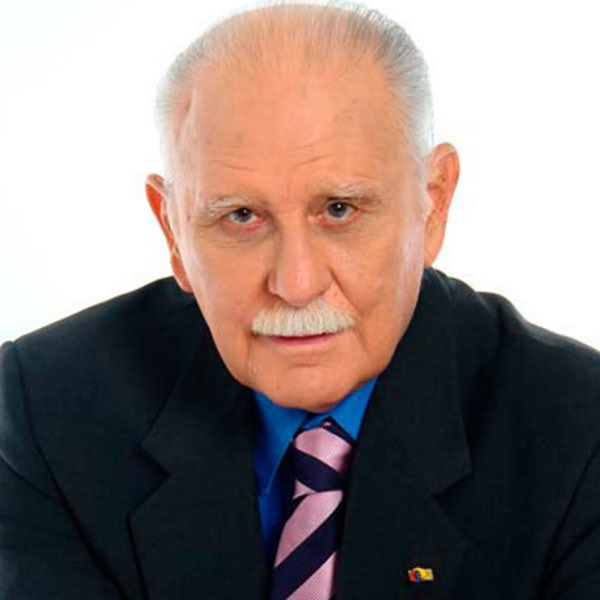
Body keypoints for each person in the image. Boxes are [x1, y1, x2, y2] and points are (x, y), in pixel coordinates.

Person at [0, 3, 598, 599]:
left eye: (340, 209)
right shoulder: (45, 412)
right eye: (241, 216)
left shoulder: (577, 432)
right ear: (173, 231)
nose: (296, 282)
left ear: (433, 203)